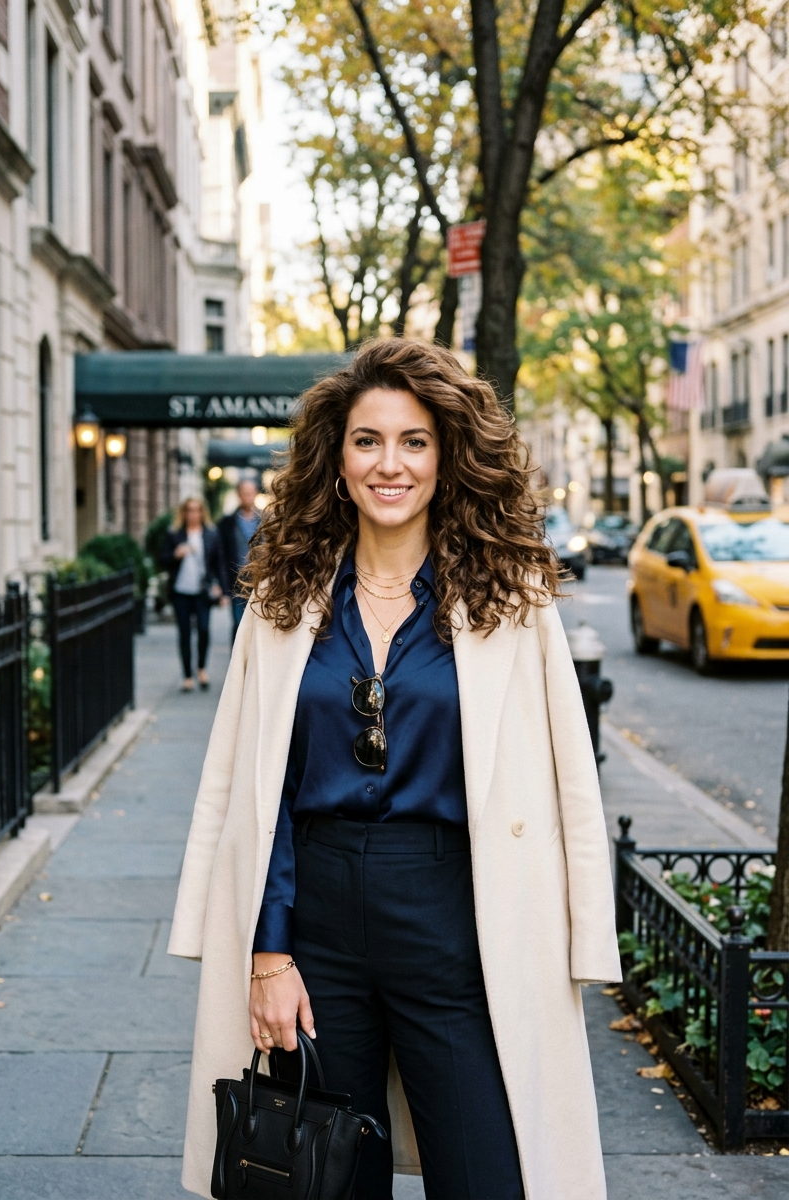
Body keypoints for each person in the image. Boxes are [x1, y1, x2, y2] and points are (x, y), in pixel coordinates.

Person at [168, 340, 621, 1200]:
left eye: (414, 441)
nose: (391, 463)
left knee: (493, 1171)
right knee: (324, 1174)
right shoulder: (284, 598)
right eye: (368, 440)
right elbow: (253, 793)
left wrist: (584, 935)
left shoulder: (511, 595)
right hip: (317, 923)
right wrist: (268, 954)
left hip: (460, 918)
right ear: (337, 461)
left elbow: (571, 782)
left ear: (446, 457)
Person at [160, 497, 225, 691]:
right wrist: (175, 555)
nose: (193, 514)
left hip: (202, 592)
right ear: (184, 513)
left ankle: (201, 668)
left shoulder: (211, 534)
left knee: (204, 630)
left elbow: (219, 563)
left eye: (197, 510)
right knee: (185, 633)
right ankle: (187, 675)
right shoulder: (174, 535)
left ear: (202, 512)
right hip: (181, 591)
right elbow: (162, 560)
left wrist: (221, 588)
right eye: (189, 510)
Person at [217, 479, 261, 640]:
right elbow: (221, 556)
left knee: (257, 626)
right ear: (238, 495)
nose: (247, 497)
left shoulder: (266, 520)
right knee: (238, 624)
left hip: (260, 580)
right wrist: (222, 587)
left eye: (250, 493)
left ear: (255, 494)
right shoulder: (227, 523)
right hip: (236, 580)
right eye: (244, 493)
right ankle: (236, 661)